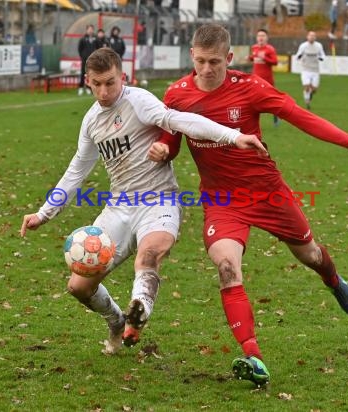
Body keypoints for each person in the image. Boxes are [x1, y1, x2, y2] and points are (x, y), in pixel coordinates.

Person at [149, 23, 348, 387]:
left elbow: (299, 116)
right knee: (226, 266)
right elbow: (170, 142)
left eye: (215, 63)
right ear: (192, 55)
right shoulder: (176, 95)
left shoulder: (250, 88)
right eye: (200, 62)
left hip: (267, 192)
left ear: (229, 58)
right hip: (222, 200)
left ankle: (333, 280)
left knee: (311, 255)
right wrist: (162, 150)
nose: (206, 71)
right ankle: (253, 355)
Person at [20, 48, 266, 357]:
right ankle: (116, 321)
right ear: (88, 81)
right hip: (119, 207)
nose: (104, 91)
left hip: (159, 200)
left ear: (122, 76)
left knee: (148, 257)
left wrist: (233, 136)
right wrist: (44, 213)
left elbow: (179, 120)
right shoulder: (91, 121)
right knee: (79, 287)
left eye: (111, 82)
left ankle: (140, 308)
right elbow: (76, 170)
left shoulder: (139, 101)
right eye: (97, 84)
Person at [248, 29, 279, 126]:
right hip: (255, 79)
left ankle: (276, 116)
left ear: (267, 38)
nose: (260, 37)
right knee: (253, 101)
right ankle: (253, 122)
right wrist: (250, 58)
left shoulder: (270, 49)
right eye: (259, 36)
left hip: (267, 79)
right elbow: (253, 58)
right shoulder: (254, 48)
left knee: (271, 100)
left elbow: (275, 62)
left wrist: (264, 58)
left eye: (263, 35)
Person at [295, 31, 326, 110]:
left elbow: (323, 55)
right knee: (307, 86)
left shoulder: (318, 46)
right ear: (307, 37)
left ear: (315, 37)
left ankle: (310, 95)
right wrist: (299, 56)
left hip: (315, 70)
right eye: (310, 36)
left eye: (313, 36)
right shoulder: (303, 46)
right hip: (306, 69)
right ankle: (307, 101)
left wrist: (321, 58)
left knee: (314, 89)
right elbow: (297, 55)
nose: (311, 37)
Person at [77, 25, 97, 96]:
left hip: (93, 60)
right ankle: (81, 87)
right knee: (83, 73)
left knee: (91, 74)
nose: (90, 30)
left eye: (92, 29)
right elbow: (80, 49)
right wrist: (83, 56)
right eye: (89, 29)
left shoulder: (95, 38)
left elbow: (98, 48)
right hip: (85, 60)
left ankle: (89, 88)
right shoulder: (83, 39)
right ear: (87, 30)